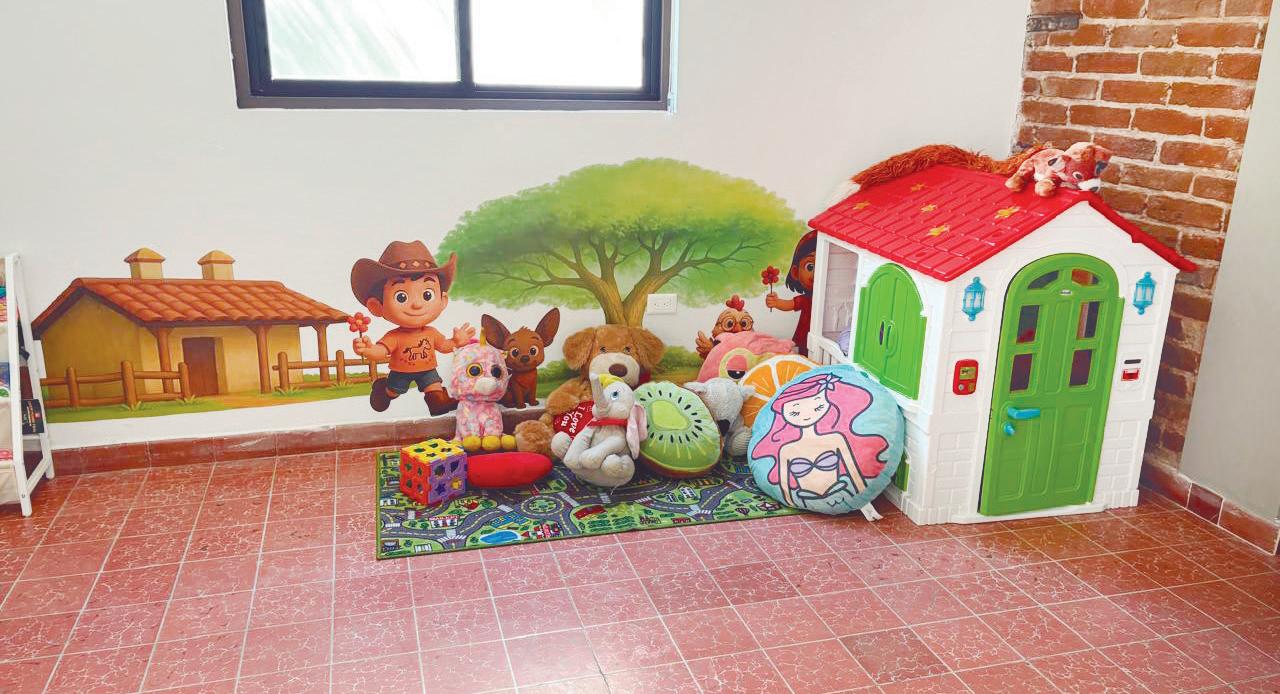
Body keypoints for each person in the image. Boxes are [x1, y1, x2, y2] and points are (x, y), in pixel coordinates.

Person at [349, 240, 476, 415]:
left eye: (427, 295)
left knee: (434, 386)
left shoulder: (431, 333)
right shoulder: (394, 336)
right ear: (377, 306)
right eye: (401, 297)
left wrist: (456, 342)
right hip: (401, 371)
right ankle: (384, 391)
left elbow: (443, 346)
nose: (417, 304)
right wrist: (368, 350)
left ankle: (438, 403)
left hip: (428, 370)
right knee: (394, 391)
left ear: (442, 301)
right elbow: (382, 351)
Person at [750, 373, 889, 513]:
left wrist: (861, 498)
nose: (807, 415)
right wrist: (790, 501)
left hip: (840, 492)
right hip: (805, 497)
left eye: (818, 408)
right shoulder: (786, 450)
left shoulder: (836, 439)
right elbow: (784, 485)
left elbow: (853, 471)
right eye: (795, 413)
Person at [766, 231, 817, 356]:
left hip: (820, 338)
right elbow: (790, 305)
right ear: (795, 272)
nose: (816, 273)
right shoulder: (806, 299)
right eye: (810, 267)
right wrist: (776, 302)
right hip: (805, 337)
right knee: (803, 351)